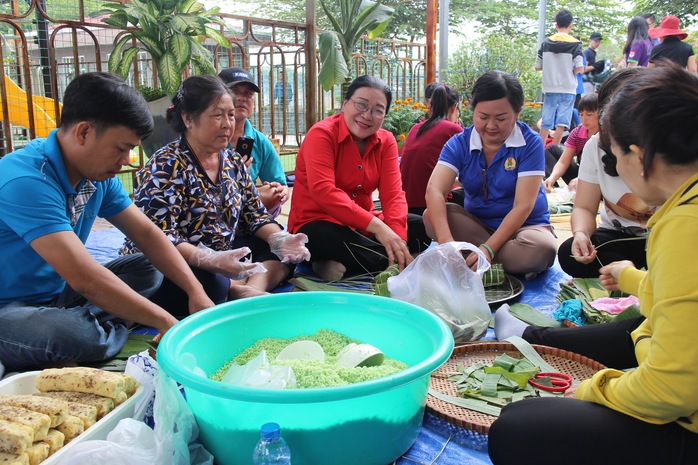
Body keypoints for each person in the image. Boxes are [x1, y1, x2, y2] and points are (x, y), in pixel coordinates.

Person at [489, 64, 698, 465]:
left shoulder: (683, 226)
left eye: (617, 155)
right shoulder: (681, 210)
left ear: (640, 155)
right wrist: (634, 279)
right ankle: (533, 337)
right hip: (674, 374)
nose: (615, 168)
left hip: (683, 413)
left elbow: (672, 391)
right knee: (635, 331)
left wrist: (594, 388)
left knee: (516, 428)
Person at [0, 72, 215, 372]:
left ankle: (87, 334)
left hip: (59, 297)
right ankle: (83, 334)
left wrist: (196, 293)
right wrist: (165, 321)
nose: (127, 159)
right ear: (84, 132)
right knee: (70, 333)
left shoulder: (95, 174)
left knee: (148, 266)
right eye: (121, 148)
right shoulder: (26, 179)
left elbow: (147, 234)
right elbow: (85, 278)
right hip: (9, 308)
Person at [121, 75, 309, 309]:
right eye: (217, 115)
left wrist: (280, 239)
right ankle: (234, 290)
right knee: (210, 282)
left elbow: (255, 215)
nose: (227, 124)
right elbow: (159, 237)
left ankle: (246, 289)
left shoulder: (233, 161)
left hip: (220, 253)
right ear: (188, 118)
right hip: (170, 261)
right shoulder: (166, 165)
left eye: (230, 115)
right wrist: (210, 260)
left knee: (282, 252)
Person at [288, 75, 430, 281]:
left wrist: (397, 238)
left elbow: (393, 195)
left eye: (377, 110)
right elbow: (324, 192)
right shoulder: (321, 134)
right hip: (318, 224)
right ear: (345, 103)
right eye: (361, 105)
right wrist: (379, 228)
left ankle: (361, 263)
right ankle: (318, 262)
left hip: (362, 226)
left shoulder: (387, 141)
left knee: (422, 227)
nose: (367, 115)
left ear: (384, 116)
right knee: (328, 238)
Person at [423, 71, 557, 277]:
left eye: (501, 118)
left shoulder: (530, 143)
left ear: (518, 112)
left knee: (542, 249)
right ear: (472, 110)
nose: (491, 126)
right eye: (483, 117)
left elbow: (524, 205)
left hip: (525, 229)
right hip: (478, 226)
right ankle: (491, 263)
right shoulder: (459, 143)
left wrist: (489, 249)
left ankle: (475, 260)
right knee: (431, 216)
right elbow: (434, 191)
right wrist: (447, 244)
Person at [554, 68, 654, 278]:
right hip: (619, 238)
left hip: (667, 238)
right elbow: (584, 207)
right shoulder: (596, 146)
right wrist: (581, 234)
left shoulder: (666, 149)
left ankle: (635, 275)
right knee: (569, 254)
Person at [218, 67, 289, 218]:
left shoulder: (260, 142)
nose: (242, 98)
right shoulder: (207, 138)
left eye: (248, 94)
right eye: (235, 92)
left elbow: (279, 185)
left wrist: (281, 191)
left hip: (247, 214)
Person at [400, 84, 462, 215]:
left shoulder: (415, 128)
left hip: (404, 204)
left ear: (430, 107)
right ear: (455, 107)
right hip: (431, 206)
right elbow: (470, 175)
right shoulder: (453, 129)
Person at [535, 9, 585, 146]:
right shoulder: (575, 44)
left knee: (546, 121)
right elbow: (580, 68)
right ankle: (555, 149)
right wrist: (570, 71)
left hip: (550, 86)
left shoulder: (546, 43)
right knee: (562, 122)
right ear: (571, 25)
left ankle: (540, 149)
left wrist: (552, 68)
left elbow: (538, 66)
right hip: (568, 88)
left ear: (556, 25)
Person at [543, 93, 599, 192]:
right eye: (581, 114)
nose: (584, 119)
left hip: (599, 178)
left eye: (589, 115)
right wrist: (552, 177)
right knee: (551, 150)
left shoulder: (607, 135)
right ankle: (550, 186)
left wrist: (583, 179)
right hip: (580, 176)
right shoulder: (577, 132)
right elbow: (563, 161)